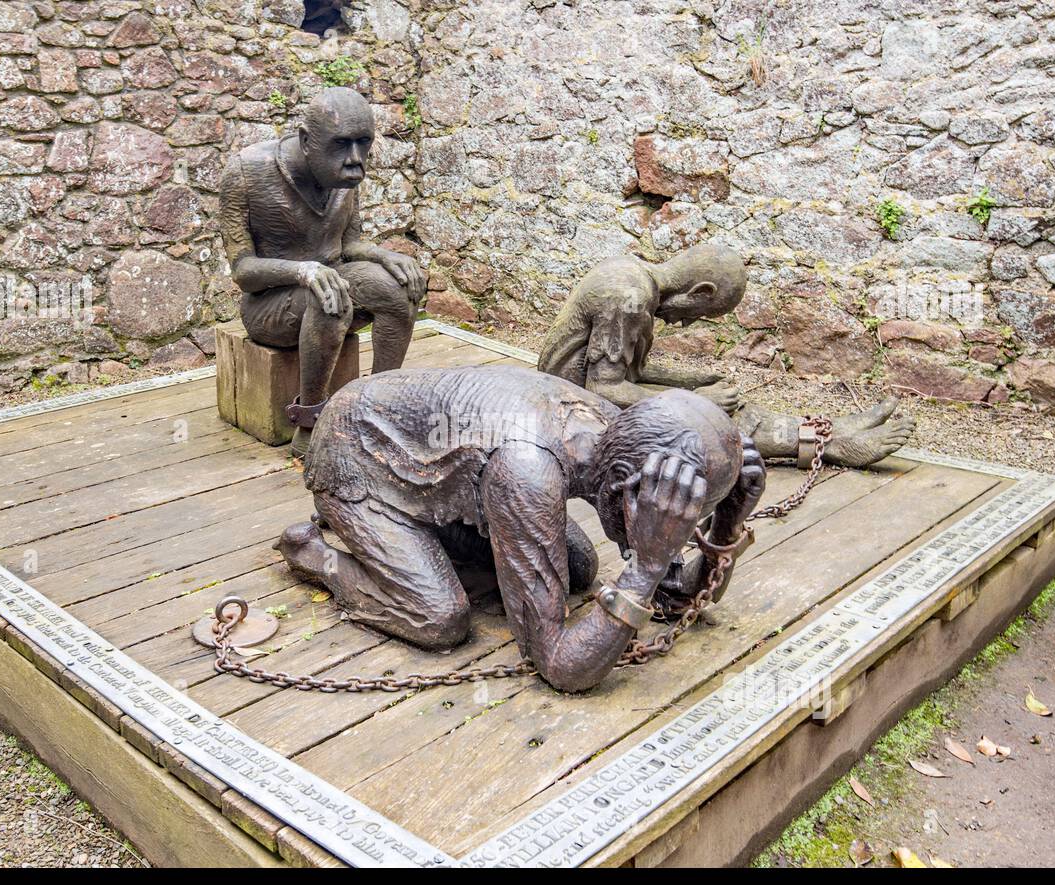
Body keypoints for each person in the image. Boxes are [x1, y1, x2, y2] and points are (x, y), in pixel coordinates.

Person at [277, 365, 766, 693]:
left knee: (579, 567)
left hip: (438, 465)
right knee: (439, 617)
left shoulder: (628, 431)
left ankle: (428, 537)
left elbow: (676, 597)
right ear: (629, 492)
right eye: (672, 513)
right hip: (356, 455)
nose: (676, 527)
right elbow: (559, 664)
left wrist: (730, 518)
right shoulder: (527, 470)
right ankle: (316, 554)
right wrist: (648, 568)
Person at [538, 246, 915, 468]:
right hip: (573, 413)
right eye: (697, 314)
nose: (685, 324)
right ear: (700, 291)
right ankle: (826, 445)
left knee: (724, 402)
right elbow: (603, 387)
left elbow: (624, 372)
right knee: (708, 415)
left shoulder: (635, 278)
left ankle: (827, 426)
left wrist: (691, 381)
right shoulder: (628, 298)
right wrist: (697, 400)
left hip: (584, 393)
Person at [219, 87, 427, 457]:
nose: (356, 159)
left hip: (332, 283)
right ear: (305, 140)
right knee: (330, 300)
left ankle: (378, 408)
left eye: (364, 144)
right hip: (270, 305)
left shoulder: (343, 179)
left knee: (398, 290)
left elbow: (349, 245)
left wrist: (383, 255)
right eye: (343, 144)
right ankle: (308, 425)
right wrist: (303, 271)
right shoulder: (246, 173)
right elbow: (243, 271)